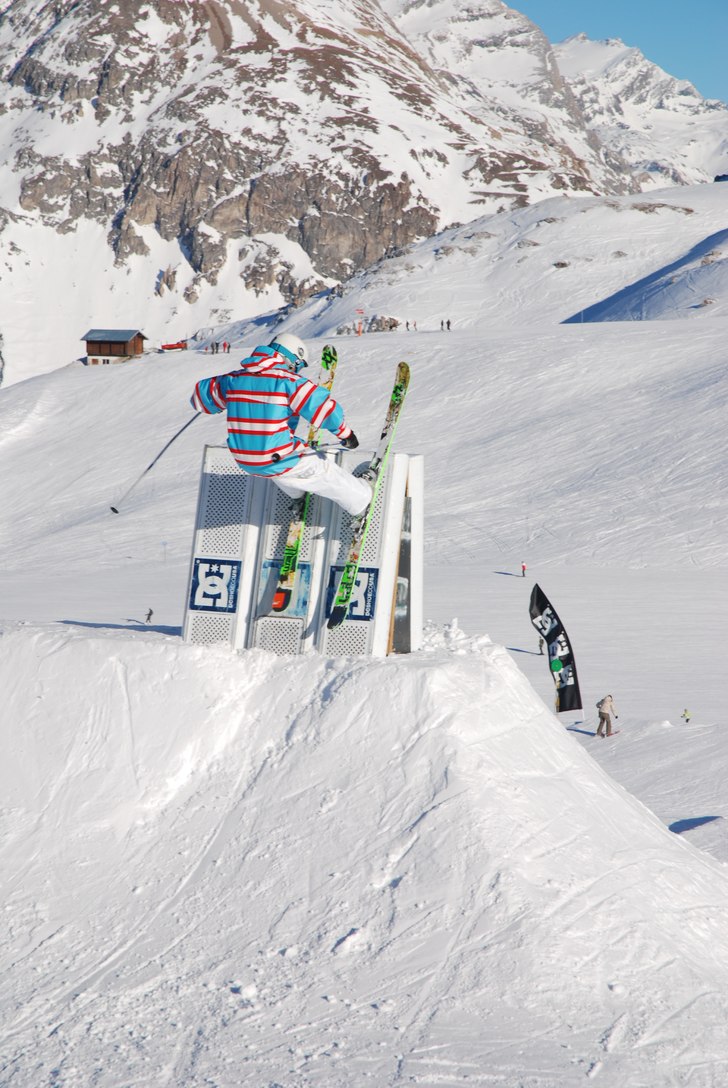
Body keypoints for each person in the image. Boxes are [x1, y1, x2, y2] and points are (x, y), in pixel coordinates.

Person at [191, 333, 372, 517]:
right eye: (298, 367)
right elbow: (324, 410)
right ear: (292, 359)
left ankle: (297, 495)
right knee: (321, 469)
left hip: (244, 459)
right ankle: (362, 501)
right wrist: (346, 434)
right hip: (274, 456)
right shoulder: (287, 381)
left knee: (281, 466)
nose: (296, 371)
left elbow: (199, 398)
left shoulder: (232, 379)